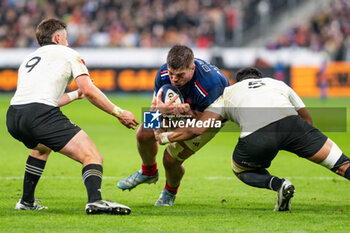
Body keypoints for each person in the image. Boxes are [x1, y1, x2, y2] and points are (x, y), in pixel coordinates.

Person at [155, 67, 350, 211]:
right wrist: (306, 144)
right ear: (260, 78)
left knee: (240, 168)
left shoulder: (228, 93)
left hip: (257, 134)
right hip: (294, 127)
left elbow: (199, 129)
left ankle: (278, 184)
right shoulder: (277, 84)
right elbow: (307, 119)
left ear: (238, 82)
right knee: (342, 164)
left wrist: (164, 136)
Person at [6, 18, 139, 215]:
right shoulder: (69, 54)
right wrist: (119, 113)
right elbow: (91, 90)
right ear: (58, 37)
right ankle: (95, 201)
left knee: (42, 148)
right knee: (92, 156)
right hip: (40, 115)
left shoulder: (29, 59)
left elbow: (49, 99)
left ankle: (26, 201)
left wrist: (77, 94)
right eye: (66, 38)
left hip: (14, 116)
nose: (68, 43)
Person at [117, 45, 229, 206]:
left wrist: (168, 131)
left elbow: (198, 125)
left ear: (192, 68)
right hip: (183, 110)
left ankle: (169, 192)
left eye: (180, 75)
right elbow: (153, 110)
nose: (174, 79)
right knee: (143, 133)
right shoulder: (163, 73)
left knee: (170, 159)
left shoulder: (211, 84)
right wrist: (160, 116)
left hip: (208, 118)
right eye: (171, 74)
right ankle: (148, 172)